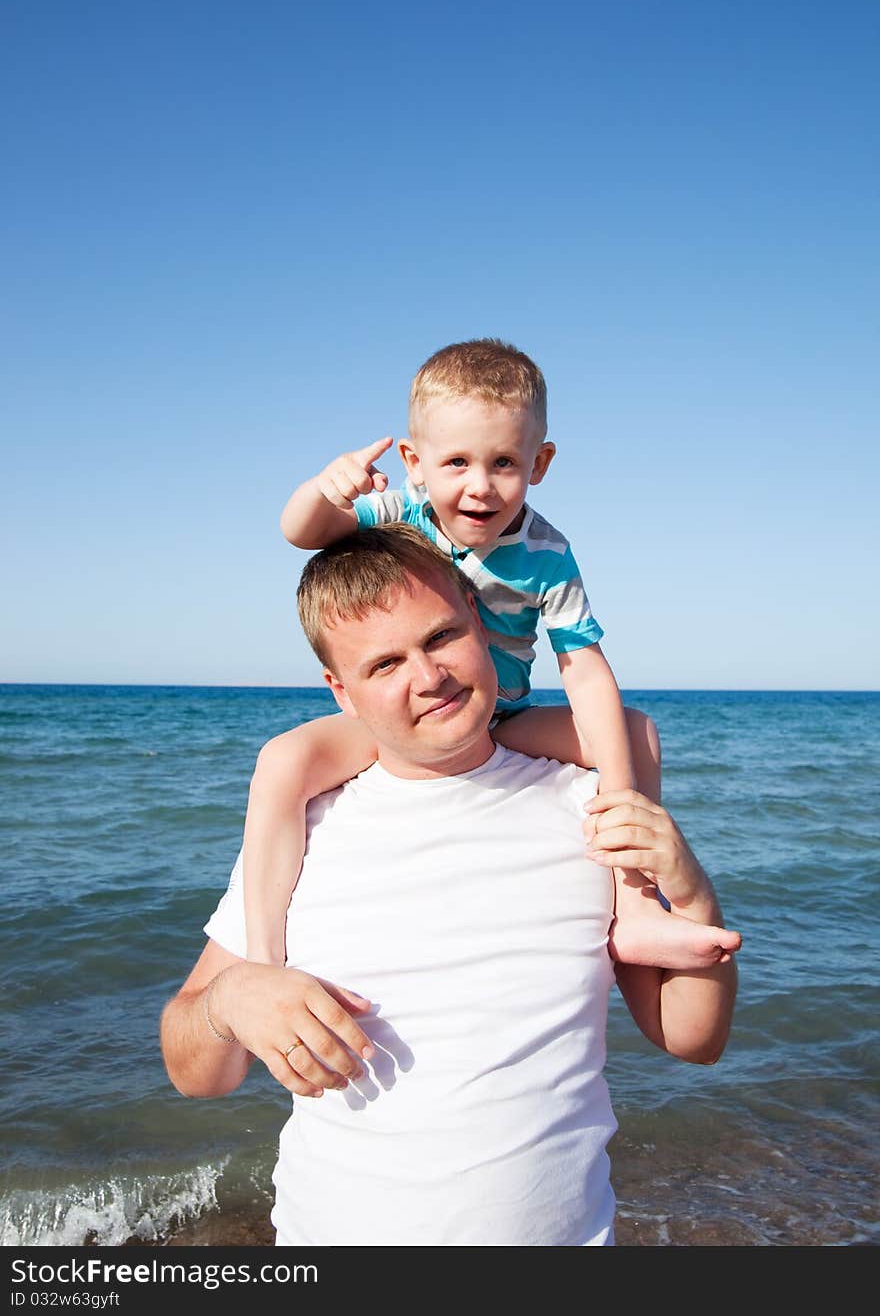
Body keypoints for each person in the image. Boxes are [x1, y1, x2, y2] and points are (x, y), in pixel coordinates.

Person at [160, 524, 739, 1247]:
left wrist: (691, 895)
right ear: (341, 691)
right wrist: (231, 997)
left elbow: (694, 1038)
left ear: (481, 620)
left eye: (441, 637)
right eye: (384, 665)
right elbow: (197, 1072)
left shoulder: (583, 804)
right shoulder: (304, 829)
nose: (428, 676)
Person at [243, 337, 739, 969]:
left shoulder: (547, 553)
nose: (479, 487)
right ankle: (262, 954)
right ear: (414, 461)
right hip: (410, 722)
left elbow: (583, 669)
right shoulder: (400, 512)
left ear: (541, 463)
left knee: (637, 736)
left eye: (504, 461)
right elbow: (301, 532)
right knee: (282, 762)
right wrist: (325, 488)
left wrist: (618, 786)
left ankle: (636, 907)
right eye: (456, 463)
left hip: (506, 717)